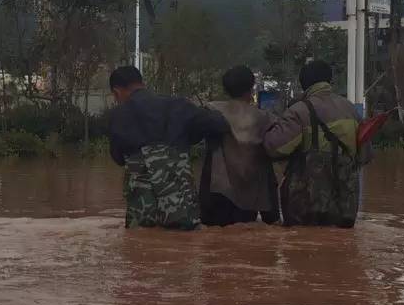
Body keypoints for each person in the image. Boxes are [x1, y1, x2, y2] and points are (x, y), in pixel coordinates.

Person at [108, 66, 229, 230]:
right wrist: (191, 136)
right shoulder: (177, 105)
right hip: (179, 201)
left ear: (116, 92)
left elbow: (118, 158)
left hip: (142, 205)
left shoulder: (118, 115)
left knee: (140, 245)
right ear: (142, 84)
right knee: (184, 243)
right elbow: (218, 124)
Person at [264, 60, 370, 228]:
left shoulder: (299, 111)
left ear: (303, 83)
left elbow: (273, 148)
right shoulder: (351, 110)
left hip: (306, 205)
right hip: (345, 204)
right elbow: (364, 156)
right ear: (330, 80)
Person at [200, 66, 279, 226]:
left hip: (216, 192)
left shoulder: (212, 111)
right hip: (249, 196)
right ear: (251, 87)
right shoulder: (264, 119)